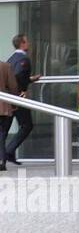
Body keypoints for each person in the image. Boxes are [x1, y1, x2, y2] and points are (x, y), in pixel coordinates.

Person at [5, 34, 39, 165]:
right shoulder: (23, 58)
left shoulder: (11, 58)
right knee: (27, 125)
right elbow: (18, 75)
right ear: (22, 44)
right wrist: (23, 89)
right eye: (27, 41)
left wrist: (30, 79)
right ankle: (9, 151)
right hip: (18, 97)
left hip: (8, 98)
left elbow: (13, 76)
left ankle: (7, 154)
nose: (28, 43)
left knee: (5, 128)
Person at [0, 57, 18, 172]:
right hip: (3, 107)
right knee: (1, 134)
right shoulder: (5, 66)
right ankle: (1, 160)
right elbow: (13, 87)